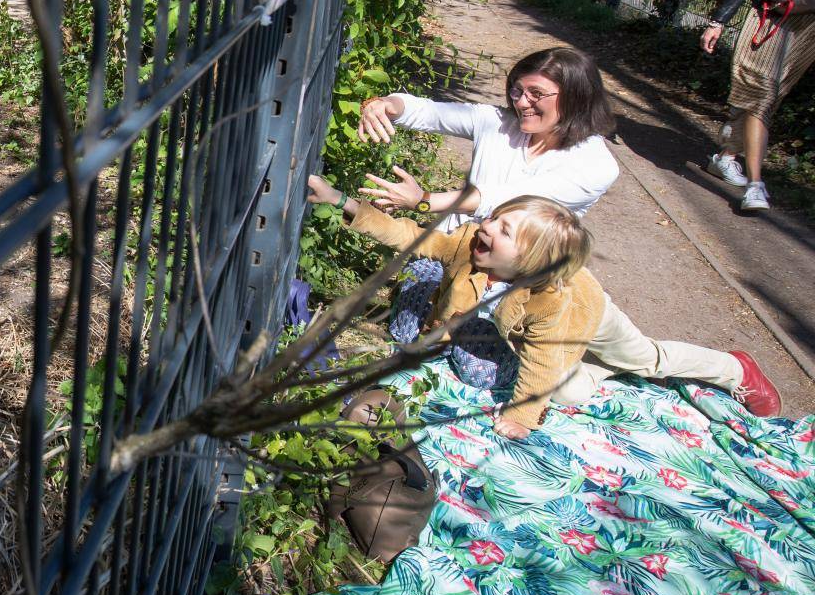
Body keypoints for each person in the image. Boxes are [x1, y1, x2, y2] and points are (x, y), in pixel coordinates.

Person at [305, 176, 782, 431]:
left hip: (589, 317)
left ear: (530, 259)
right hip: (521, 328)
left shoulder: (557, 304)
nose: (485, 227)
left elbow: (541, 361)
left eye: (503, 230)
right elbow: (411, 235)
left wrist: (518, 417)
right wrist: (342, 201)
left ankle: (733, 369)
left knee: (642, 361)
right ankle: (595, 371)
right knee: (573, 389)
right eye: (495, 219)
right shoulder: (472, 245)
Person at [356, 47, 620, 343]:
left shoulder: (597, 165)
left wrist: (425, 199)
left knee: (637, 358)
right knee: (407, 334)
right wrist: (383, 104)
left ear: (575, 96)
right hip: (452, 255)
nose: (522, 102)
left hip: (523, 282)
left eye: (536, 93)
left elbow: (509, 199)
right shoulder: (496, 124)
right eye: (517, 90)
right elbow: (428, 111)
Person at [699, 0, 815, 213]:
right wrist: (718, 20)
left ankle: (725, 158)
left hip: (809, 24)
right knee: (761, 94)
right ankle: (755, 185)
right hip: (771, 14)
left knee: (769, 97)